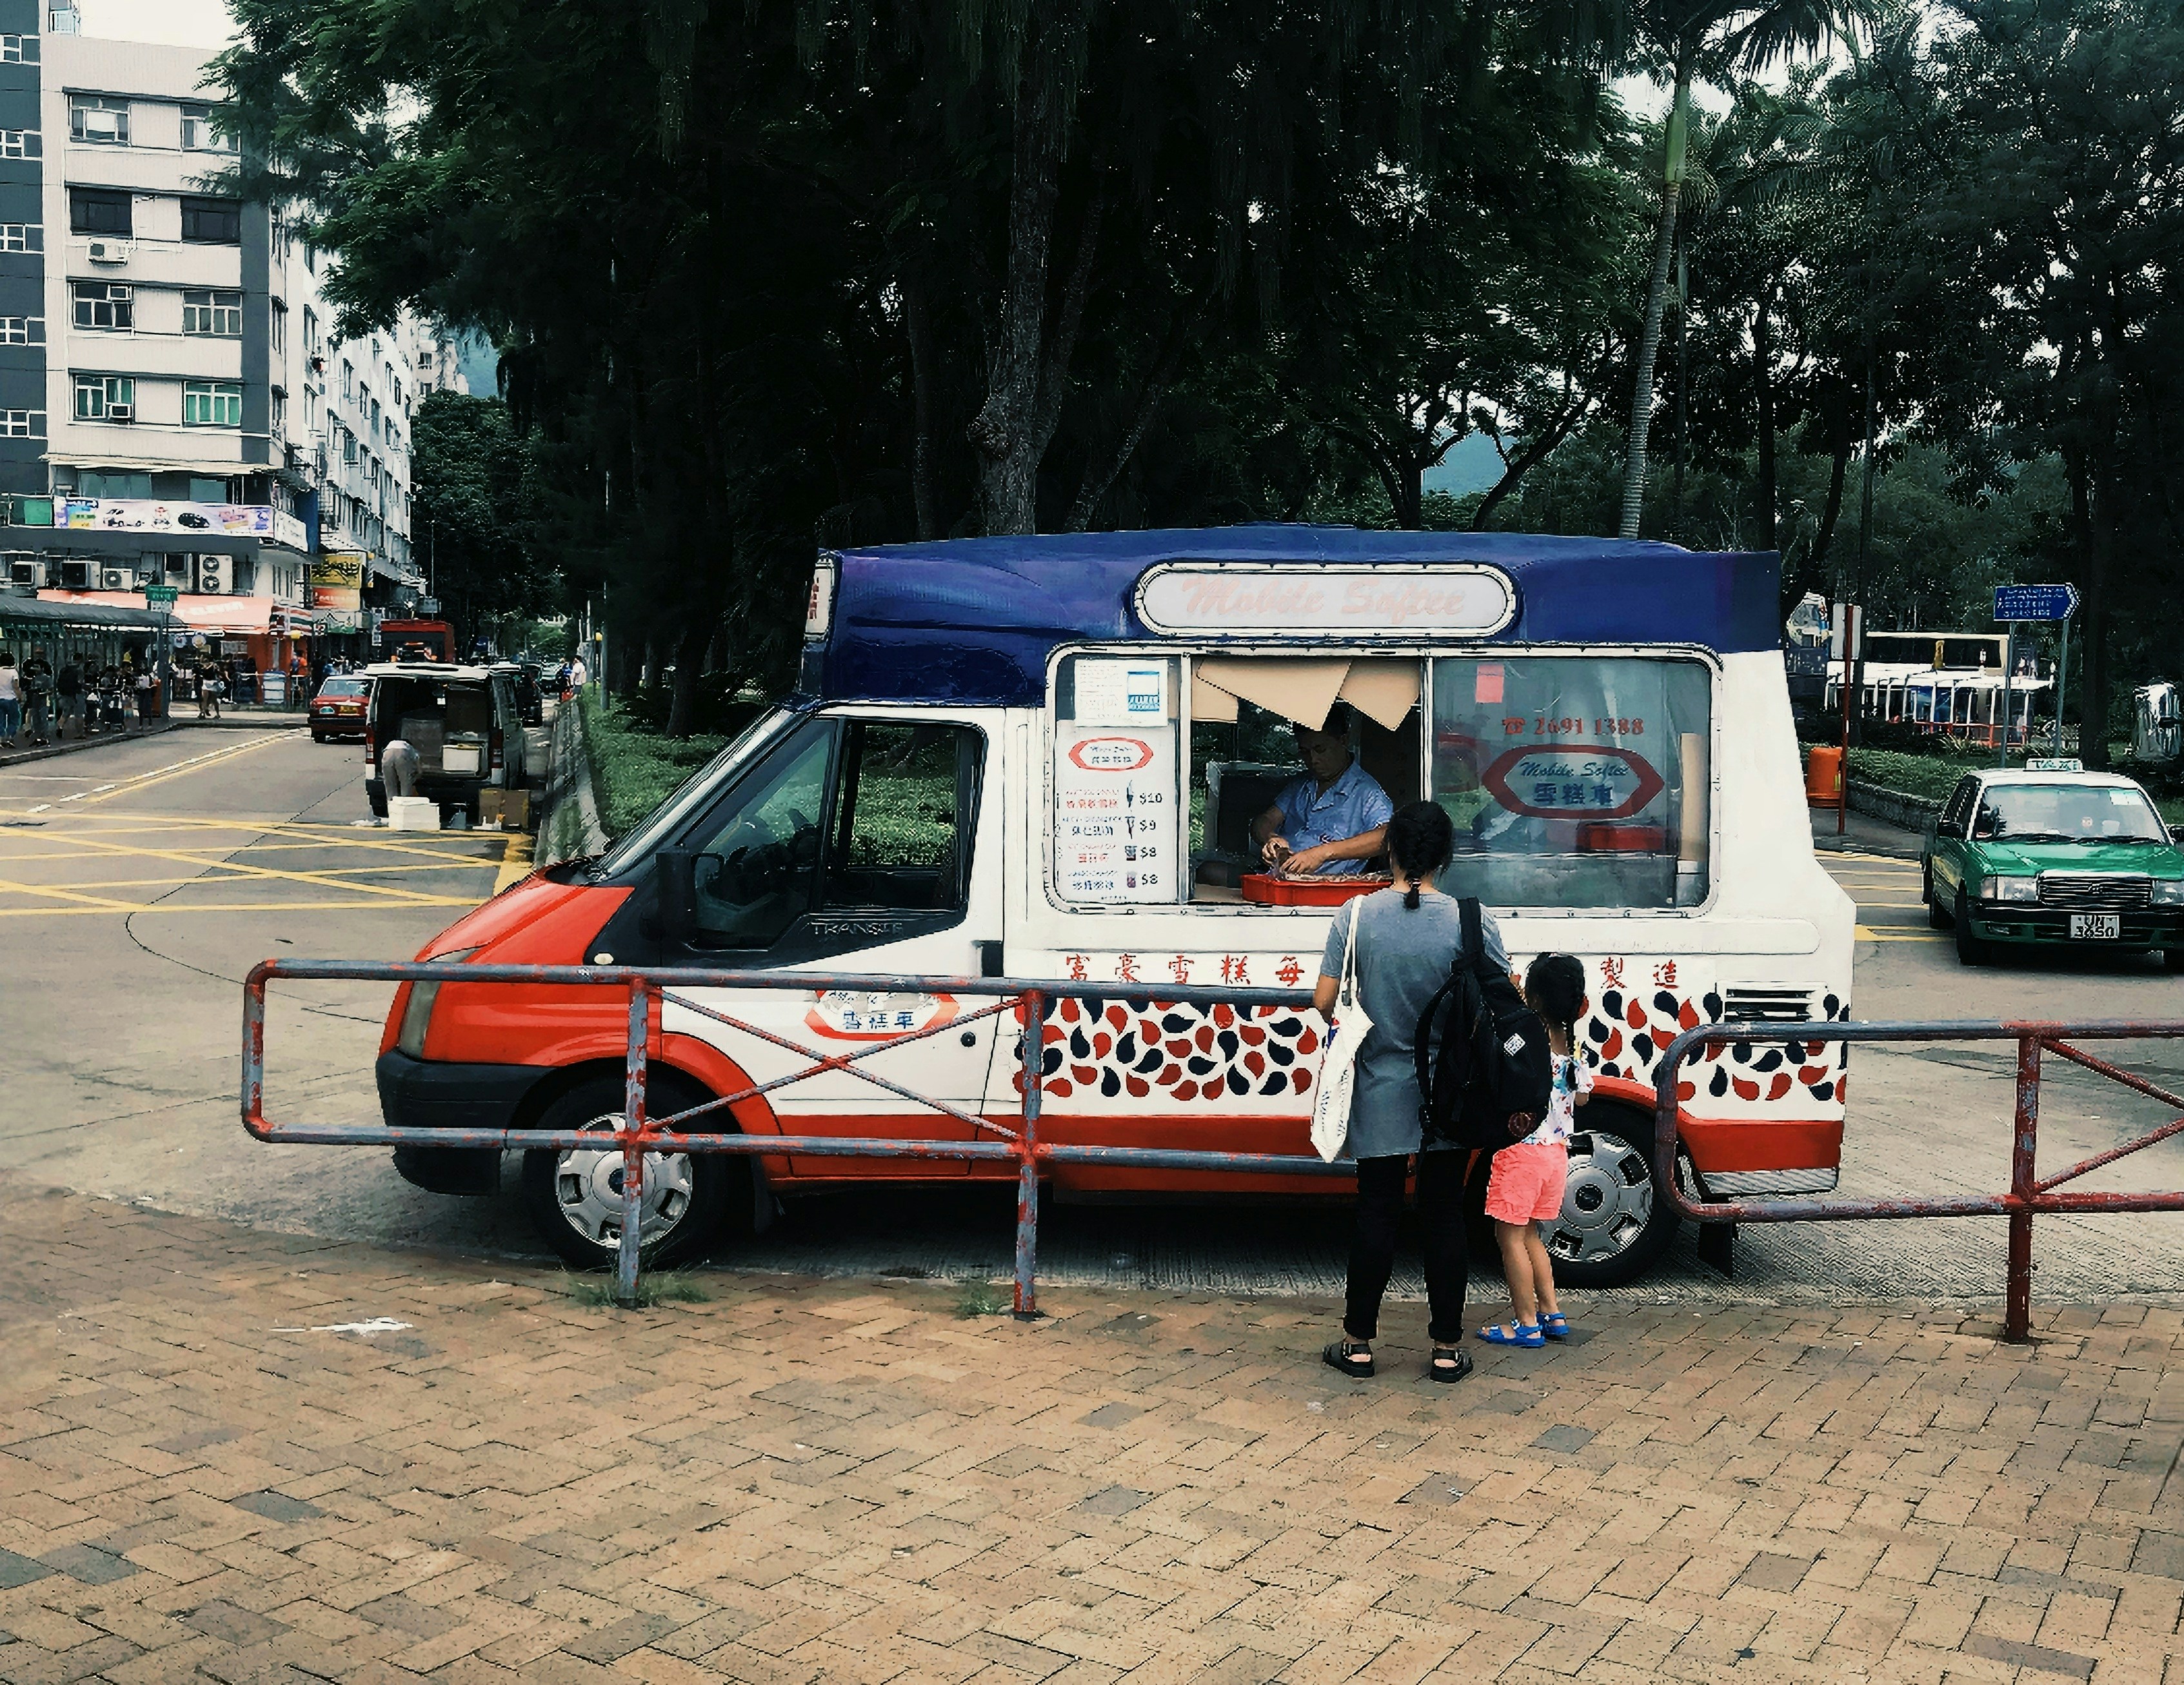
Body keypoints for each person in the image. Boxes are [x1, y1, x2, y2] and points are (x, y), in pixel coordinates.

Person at [1315, 801, 1509, 1384]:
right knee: (1445, 1215)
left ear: (1391, 851)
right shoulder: (1472, 921)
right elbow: (1507, 1003)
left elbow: (1325, 1002)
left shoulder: (1355, 916)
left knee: (1376, 1212)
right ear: (1447, 855)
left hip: (1378, 1087)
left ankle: (1357, 1345)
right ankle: (1446, 1349)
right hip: (1452, 1095)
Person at [1478, 955, 1591, 1348]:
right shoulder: (1573, 1045)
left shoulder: (1527, 1039)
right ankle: (1551, 1313)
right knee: (1532, 1236)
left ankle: (1525, 1324)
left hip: (1521, 1153)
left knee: (1508, 1238)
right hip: (1557, 1154)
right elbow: (1582, 1101)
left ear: (1535, 997)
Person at [1253, 703, 1395, 877]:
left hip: (1324, 887)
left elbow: (1387, 836)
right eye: (1305, 752)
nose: (1313, 760)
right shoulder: (1301, 784)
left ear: (1343, 740)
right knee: (1212, 871)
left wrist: (1322, 853)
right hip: (1274, 877)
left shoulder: (1366, 792)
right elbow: (1264, 820)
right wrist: (1270, 838)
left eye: (1320, 750)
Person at [20, 644, 52, 746]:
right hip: (33, 697)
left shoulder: (45, 674)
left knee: (41, 717)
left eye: (40, 653)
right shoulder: (30, 667)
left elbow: (50, 689)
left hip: (41, 699)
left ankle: (43, 736)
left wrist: (42, 692)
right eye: (38, 653)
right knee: (33, 716)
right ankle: (34, 733)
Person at [55, 658, 83, 741]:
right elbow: (79, 684)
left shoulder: (63, 672)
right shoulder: (77, 672)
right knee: (78, 714)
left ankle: (60, 725)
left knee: (66, 712)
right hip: (74, 695)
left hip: (64, 694)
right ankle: (80, 733)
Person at [0, 650, 19, 748]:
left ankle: (1, 738)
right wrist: (20, 696)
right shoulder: (13, 672)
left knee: (1, 720)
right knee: (14, 719)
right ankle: (10, 737)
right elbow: (15, 686)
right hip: (11, 699)